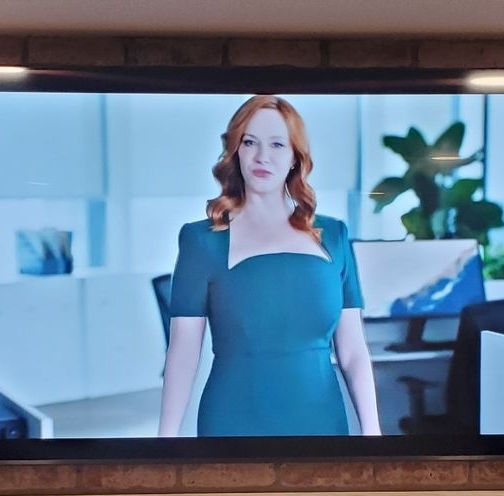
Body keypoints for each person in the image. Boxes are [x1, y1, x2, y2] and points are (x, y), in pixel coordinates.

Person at [157, 95, 380, 438]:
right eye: (250, 142)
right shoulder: (201, 240)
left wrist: (373, 433)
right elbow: (184, 352)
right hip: (231, 423)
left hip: (322, 422)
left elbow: (352, 351)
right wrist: (165, 439)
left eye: (277, 144)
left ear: (294, 157)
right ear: (236, 151)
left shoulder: (334, 236)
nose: (263, 156)